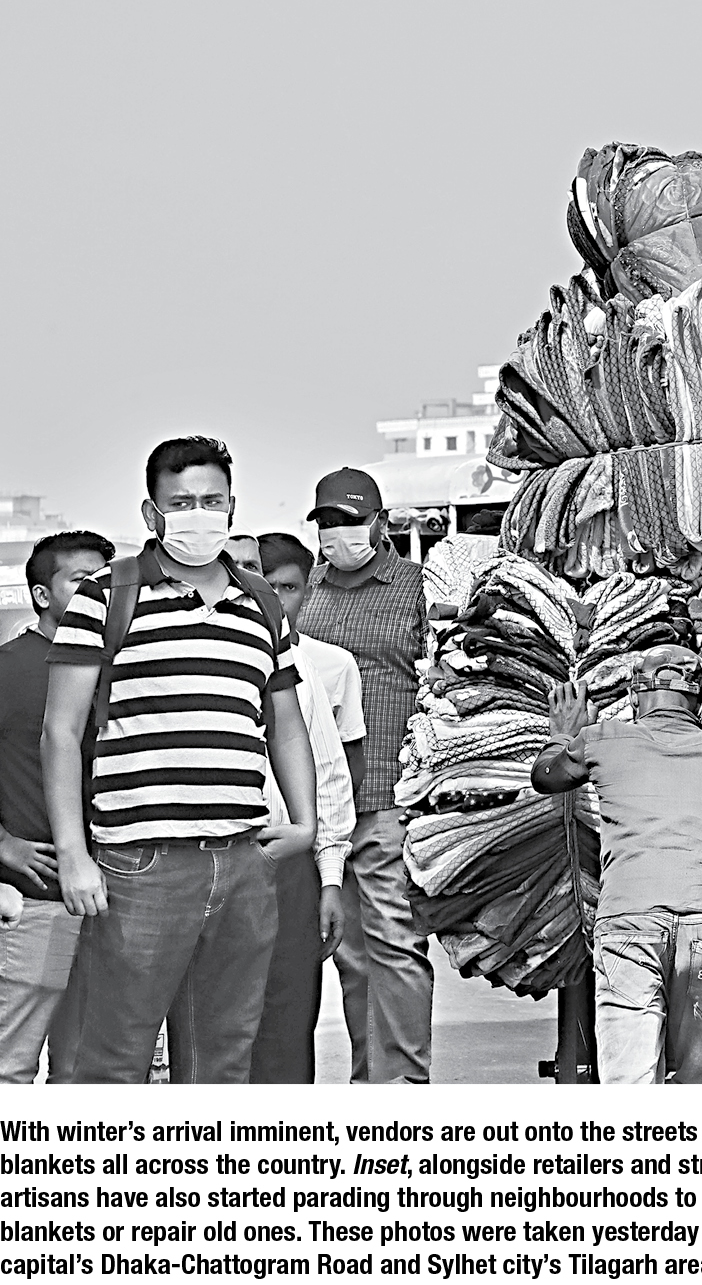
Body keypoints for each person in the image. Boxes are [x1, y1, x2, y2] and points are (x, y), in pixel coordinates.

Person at [42, 436, 318, 1084]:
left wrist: (307, 822)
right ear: (152, 513)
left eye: (212, 501)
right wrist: (73, 854)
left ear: (232, 507)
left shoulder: (261, 603)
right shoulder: (106, 596)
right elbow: (60, 730)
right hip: (140, 865)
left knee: (223, 1059)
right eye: (182, 502)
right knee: (114, 1059)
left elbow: (285, 722)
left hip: (242, 860)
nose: (200, 515)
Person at [531, 645, 702, 1083]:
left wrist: (562, 733)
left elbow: (545, 776)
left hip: (632, 926)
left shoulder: (601, 739)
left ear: (634, 695)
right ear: (698, 701)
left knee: (630, 1082)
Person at [296, 467, 432, 1084]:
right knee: (350, 956)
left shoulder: (416, 588)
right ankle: (367, 1083)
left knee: (396, 944)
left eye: (349, 521)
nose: (337, 532)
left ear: (380, 523)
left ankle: (402, 1085)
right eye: (326, 522)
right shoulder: (306, 590)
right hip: (325, 801)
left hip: (387, 794)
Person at [249, 532, 363, 1083]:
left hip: (286, 864)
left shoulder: (302, 665)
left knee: (288, 1022)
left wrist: (330, 877)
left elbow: (331, 775)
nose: (266, 594)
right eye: (248, 575)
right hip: (197, 860)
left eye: (284, 586)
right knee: (211, 1026)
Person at [0, 531, 113, 1083]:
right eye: (82, 581)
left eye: (105, 582)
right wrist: (3, 844)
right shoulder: (9, 667)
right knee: (11, 1066)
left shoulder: (123, 666)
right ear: (43, 595)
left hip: (120, 894)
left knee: (89, 1069)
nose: (99, 593)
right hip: (37, 899)